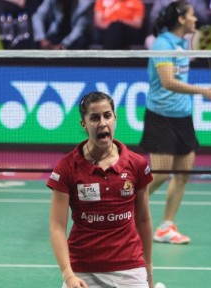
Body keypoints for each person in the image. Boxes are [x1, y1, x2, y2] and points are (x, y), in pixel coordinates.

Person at [47, 91, 154, 288]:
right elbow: (57, 227)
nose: (102, 123)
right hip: (82, 268)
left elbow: (143, 220)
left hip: (129, 267)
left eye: (107, 115)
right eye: (94, 118)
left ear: (115, 119)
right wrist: (68, 274)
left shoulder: (137, 164)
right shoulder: (67, 167)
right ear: (84, 124)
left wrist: (148, 274)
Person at [140, 0, 211, 244]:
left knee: (183, 174)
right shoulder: (163, 43)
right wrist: (203, 92)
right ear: (181, 19)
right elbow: (168, 82)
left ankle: (166, 226)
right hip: (161, 117)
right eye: (192, 15)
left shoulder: (183, 42)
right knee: (161, 175)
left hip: (183, 116)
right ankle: (125, 207)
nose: (196, 19)